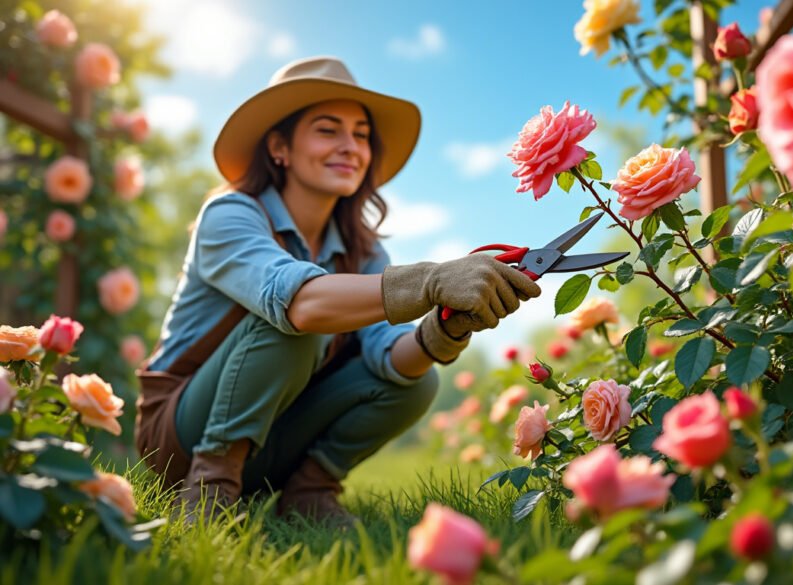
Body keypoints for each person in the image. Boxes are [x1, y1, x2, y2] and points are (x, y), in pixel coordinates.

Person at [136, 56, 541, 527]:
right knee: (292, 323)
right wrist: (430, 280)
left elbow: (389, 358)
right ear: (279, 147)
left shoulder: (363, 252)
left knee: (417, 381)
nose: (350, 147)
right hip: (179, 440)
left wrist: (444, 330)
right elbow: (301, 304)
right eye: (328, 130)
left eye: (361, 135)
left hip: (271, 439)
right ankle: (209, 494)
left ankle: (309, 493)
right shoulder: (230, 215)